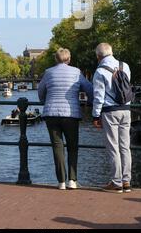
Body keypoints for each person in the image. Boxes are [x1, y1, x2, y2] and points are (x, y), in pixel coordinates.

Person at [38, 48, 93, 190]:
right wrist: (91, 102)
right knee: (72, 147)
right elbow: (89, 88)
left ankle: (61, 181)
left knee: (57, 147)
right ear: (69, 59)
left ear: (56, 59)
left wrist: (45, 100)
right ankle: (72, 180)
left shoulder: (48, 72)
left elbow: (41, 90)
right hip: (71, 114)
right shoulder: (76, 72)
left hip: (51, 114)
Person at [92, 43, 132, 193]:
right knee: (125, 146)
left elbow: (98, 96)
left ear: (98, 56)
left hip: (110, 111)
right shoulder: (125, 66)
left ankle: (116, 182)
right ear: (112, 52)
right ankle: (126, 181)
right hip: (126, 110)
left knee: (113, 147)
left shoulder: (100, 71)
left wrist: (96, 115)